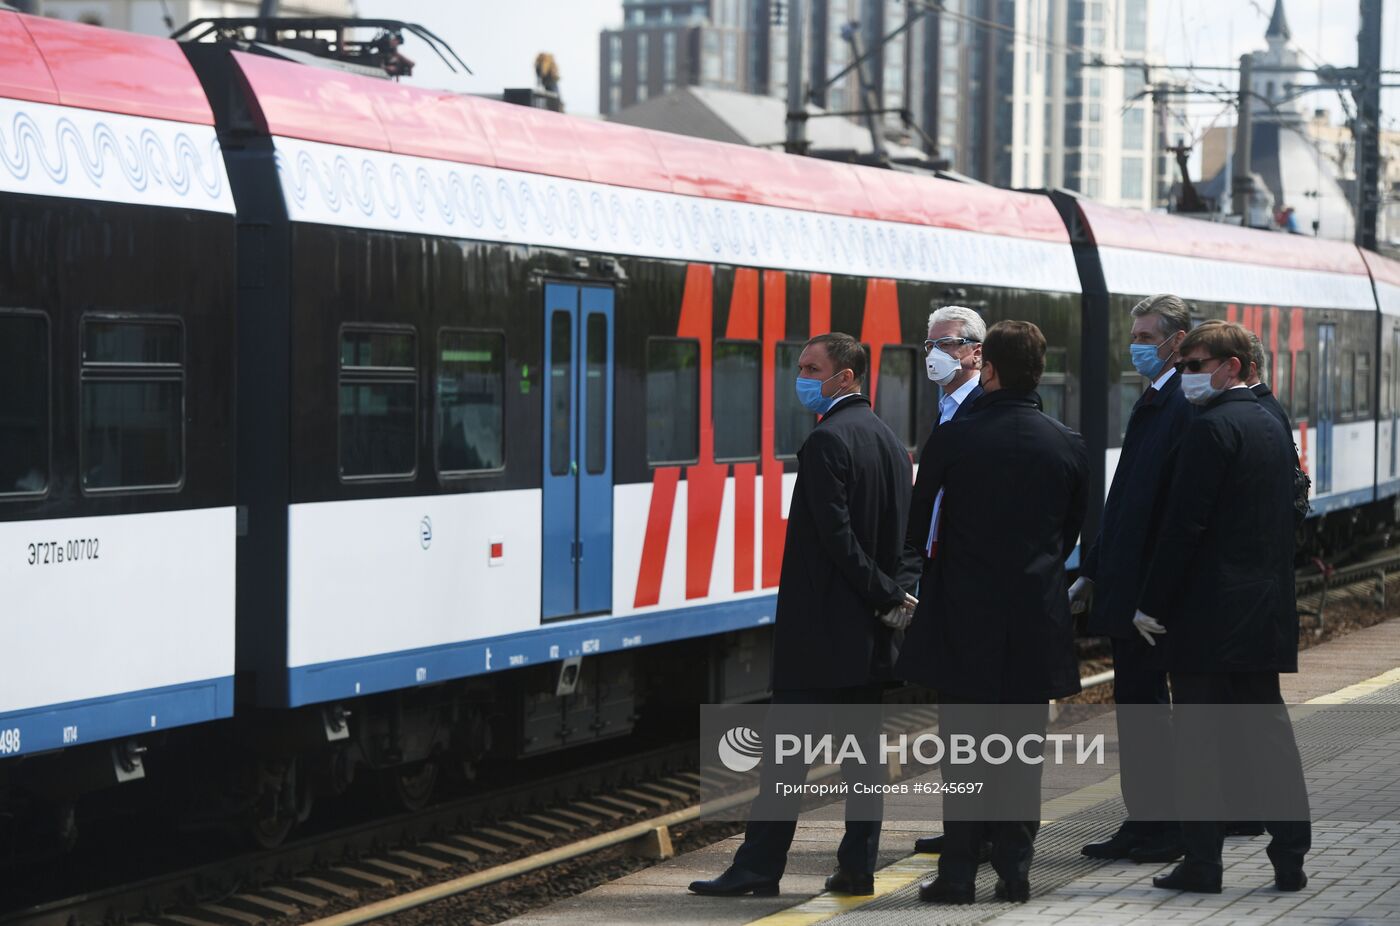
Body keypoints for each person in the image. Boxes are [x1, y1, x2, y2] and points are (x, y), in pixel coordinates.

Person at [689, 332, 914, 898]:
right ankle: (858, 866)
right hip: (866, 635)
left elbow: (837, 541)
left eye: (813, 367)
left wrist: (882, 591)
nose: (802, 377)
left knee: (785, 759)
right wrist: (892, 595)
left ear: (847, 376)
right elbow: (901, 537)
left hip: (819, 632)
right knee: (863, 762)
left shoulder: (826, 442)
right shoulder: (888, 440)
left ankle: (760, 867)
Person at [896, 320, 1089, 905]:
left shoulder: (954, 440)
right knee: (1020, 753)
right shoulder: (1067, 443)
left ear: (991, 370)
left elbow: (920, 525)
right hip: (1035, 618)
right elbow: (1070, 533)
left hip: (965, 620)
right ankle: (1015, 873)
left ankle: (957, 876)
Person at [1134, 321, 1311, 895]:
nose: (1186, 376)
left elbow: (1183, 528)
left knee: (1200, 743)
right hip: (1262, 612)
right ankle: (1290, 857)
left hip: (1207, 618)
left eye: (1194, 365)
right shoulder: (1269, 421)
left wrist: (1151, 603)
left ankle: (1203, 863)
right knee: (1270, 738)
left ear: (1231, 366)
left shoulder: (1210, 430)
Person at [1074, 294, 1194, 864]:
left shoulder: (1179, 406)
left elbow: (1165, 510)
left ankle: (1163, 827)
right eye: (1136, 335)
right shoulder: (1156, 400)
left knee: (1147, 709)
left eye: (1147, 336)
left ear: (1177, 339)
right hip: (1128, 581)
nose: (1137, 345)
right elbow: (1124, 500)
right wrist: (1093, 568)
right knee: (1136, 708)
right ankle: (1142, 820)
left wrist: (1148, 593)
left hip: (1148, 591)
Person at [902, 304, 986, 859]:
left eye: (949, 343)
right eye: (930, 343)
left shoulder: (977, 411)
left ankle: (975, 834)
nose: (935, 353)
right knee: (955, 722)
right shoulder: (947, 410)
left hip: (968, 587)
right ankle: (961, 829)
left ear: (976, 351)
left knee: (971, 724)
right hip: (941, 577)